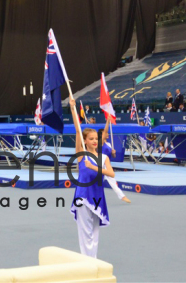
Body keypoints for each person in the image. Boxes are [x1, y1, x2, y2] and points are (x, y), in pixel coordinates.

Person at [69, 98, 114, 258]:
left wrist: (94, 167)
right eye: (91, 139)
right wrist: (73, 109)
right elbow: (77, 129)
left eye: (96, 139)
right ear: (85, 141)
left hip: (98, 196)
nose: (95, 141)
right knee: (85, 231)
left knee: (95, 231)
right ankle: (87, 261)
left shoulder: (102, 157)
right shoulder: (82, 155)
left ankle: (92, 259)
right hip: (83, 196)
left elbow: (111, 174)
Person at [99, 127, 131, 203]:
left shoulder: (109, 144)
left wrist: (113, 153)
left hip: (106, 164)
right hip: (100, 163)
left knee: (112, 181)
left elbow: (113, 157)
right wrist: (108, 121)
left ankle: (122, 196)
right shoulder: (100, 142)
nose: (107, 134)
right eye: (106, 132)